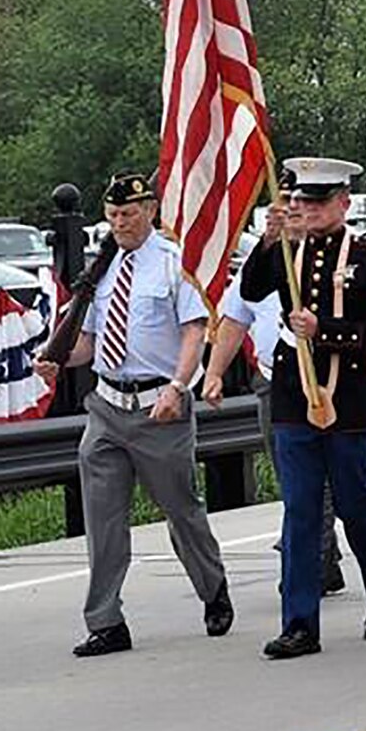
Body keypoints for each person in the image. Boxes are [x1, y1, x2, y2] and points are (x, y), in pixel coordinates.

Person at [36, 172, 231, 658]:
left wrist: (178, 386)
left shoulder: (172, 263)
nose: (120, 222)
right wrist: (56, 357)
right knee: (102, 520)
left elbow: (194, 331)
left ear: (150, 211)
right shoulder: (103, 269)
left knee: (180, 509)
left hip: (158, 409)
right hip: (107, 407)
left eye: (129, 213)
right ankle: (105, 621)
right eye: (113, 214)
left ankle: (213, 589)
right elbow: (90, 341)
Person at [236, 156, 366, 660]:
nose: (305, 210)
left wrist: (326, 332)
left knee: (355, 504)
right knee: (301, 510)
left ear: (342, 203)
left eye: (316, 201)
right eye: (299, 201)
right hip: (294, 395)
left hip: (348, 397)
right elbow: (250, 291)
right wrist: (268, 241)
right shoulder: (287, 251)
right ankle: (300, 624)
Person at [205, 177, 343, 595]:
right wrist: (214, 373)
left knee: (326, 479)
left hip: (327, 380)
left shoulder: (336, 256)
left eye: (301, 200)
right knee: (293, 476)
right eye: (285, 200)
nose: (293, 208)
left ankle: (310, 562)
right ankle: (321, 558)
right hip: (274, 382)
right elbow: (236, 317)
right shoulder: (265, 259)